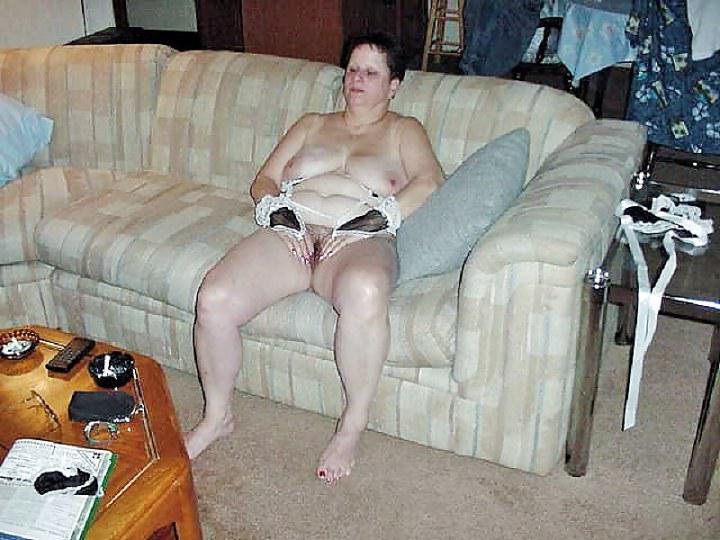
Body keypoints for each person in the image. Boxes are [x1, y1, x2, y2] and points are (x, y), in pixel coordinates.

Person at [184, 31, 444, 485]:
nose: (356, 79)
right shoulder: (311, 123)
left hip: (357, 241)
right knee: (214, 298)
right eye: (352, 69)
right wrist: (280, 214)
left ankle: (352, 425)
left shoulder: (404, 130)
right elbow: (264, 180)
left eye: (371, 72)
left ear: (394, 85)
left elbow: (430, 182)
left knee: (366, 290)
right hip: (294, 234)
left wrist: (374, 220)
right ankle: (216, 417)